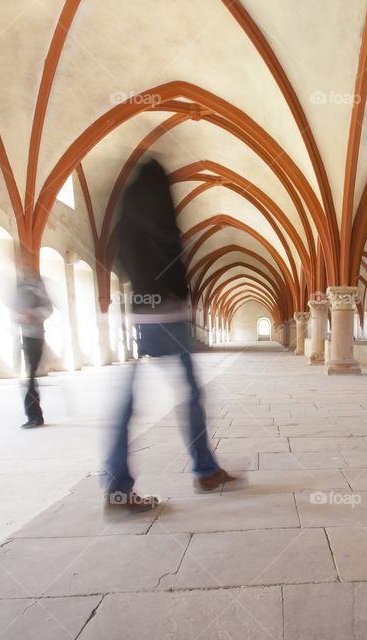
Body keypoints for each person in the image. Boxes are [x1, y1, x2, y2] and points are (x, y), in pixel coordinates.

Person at [106, 158, 236, 512]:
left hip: (140, 311)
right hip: (167, 310)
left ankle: (118, 484)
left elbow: (119, 256)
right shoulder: (155, 199)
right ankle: (205, 470)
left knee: (129, 401)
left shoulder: (127, 207)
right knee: (191, 393)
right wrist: (180, 290)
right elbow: (170, 248)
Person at [14, 266, 53, 428]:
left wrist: (33, 315)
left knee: (29, 376)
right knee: (26, 378)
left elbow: (48, 308)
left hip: (34, 337)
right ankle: (34, 415)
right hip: (20, 336)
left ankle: (35, 416)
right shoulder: (17, 286)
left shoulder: (36, 284)